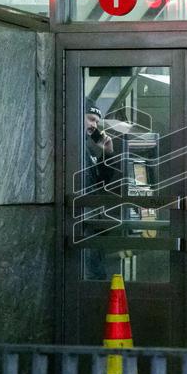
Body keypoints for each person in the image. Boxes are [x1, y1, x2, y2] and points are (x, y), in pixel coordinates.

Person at [82, 105, 120, 280]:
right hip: (82, 219)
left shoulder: (86, 150)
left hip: (90, 218)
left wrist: (108, 152)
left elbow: (100, 181)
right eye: (90, 119)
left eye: (97, 122)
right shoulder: (75, 149)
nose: (94, 125)